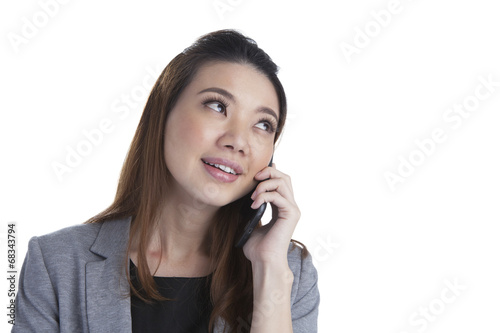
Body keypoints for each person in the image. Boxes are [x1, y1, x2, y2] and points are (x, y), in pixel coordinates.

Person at [13, 29, 320, 333]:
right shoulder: (56, 262)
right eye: (217, 106)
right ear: (163, 113)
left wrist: (269, 269)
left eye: (263, 124)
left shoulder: (288, 272)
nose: (238, 141)